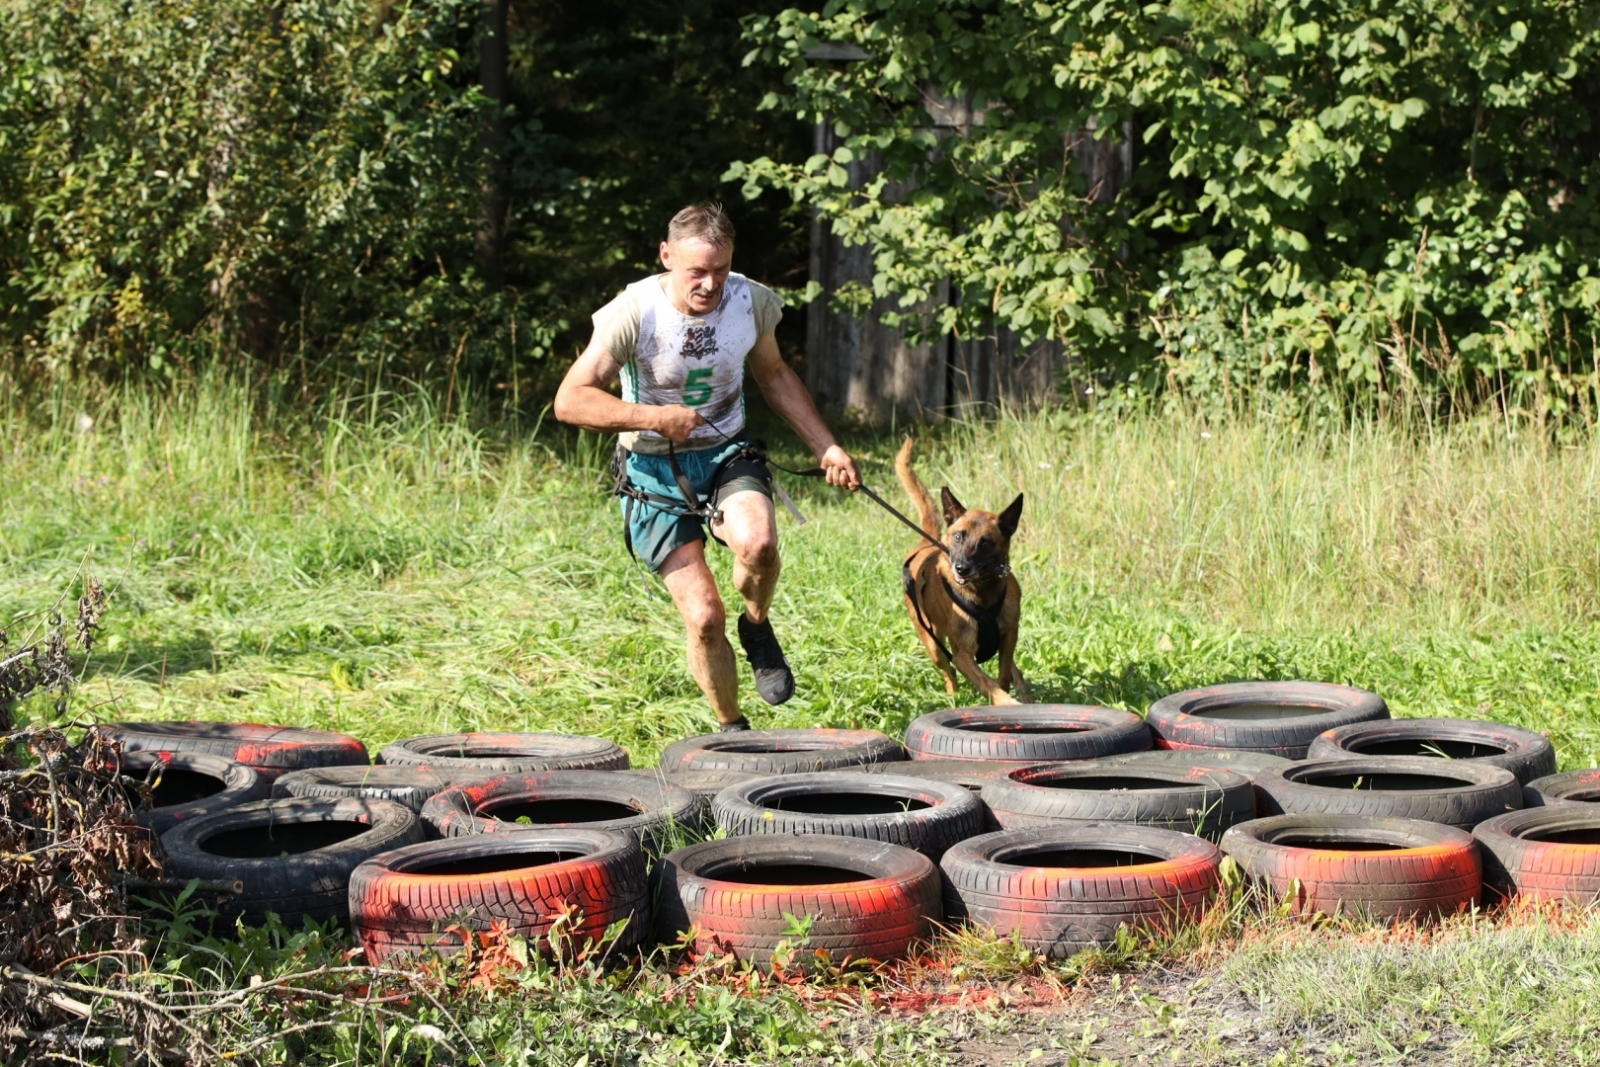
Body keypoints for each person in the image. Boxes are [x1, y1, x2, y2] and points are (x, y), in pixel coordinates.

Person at [553, 203, 862, 731]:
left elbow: (774, 374)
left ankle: (758, 625)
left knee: (760, 543)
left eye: (720, 269)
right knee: (703, 616)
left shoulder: (749, 301)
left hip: (725, 450)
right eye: (697, 271)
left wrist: (826, 447)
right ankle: (732, 729)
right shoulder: (634, 312)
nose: (709, 283)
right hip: (652, 469)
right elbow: (570, 401)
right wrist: (652, 416)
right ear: (666, 256)